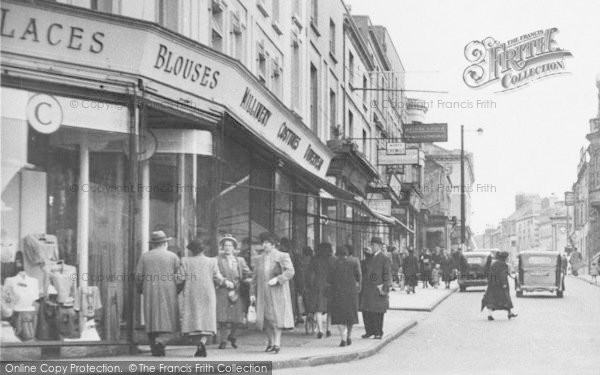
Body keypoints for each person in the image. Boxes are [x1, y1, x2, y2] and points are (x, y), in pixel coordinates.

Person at [178, 239, 229, 357]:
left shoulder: (185, 261)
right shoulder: (212, 261)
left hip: (192, 294)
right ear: (203, 250)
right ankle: (202, 342)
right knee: (207, 321)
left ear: (191, 251)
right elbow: (218, 278)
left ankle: (198, 344)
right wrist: (226, 283)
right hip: (208, 294)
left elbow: (180, 278)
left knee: (194, 321)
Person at [135, 231, 180, 357]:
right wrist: (177, 289)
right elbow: (181, 277)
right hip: (168, 290)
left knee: (152, 319)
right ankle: (161, 341)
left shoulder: (145, 257)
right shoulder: (173, 256)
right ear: (165, 243)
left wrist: (140, 289)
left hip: (149, 290)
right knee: (170, 319)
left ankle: (155, 349)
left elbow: (138, 276)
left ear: (153, 244)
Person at [250, 232, 295, 354]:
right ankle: (270, 341)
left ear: (274, 244)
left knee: (276, 317)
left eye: (267, 243)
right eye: (263, 242)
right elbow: (254, 278)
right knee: (265, 319)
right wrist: (252, 293)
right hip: (262, 293)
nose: (264, 245)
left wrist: (279, 279)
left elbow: (290, 271)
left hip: (277, 291)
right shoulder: (259, 259)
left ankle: (277, 343)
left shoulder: (282, 256)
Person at [216, 235, 252, 350]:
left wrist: (248, 280)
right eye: (225, 245)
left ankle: (232, 335)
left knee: (237, 318)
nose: (227, 248)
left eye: (230, 245)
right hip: (223, 290)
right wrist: (224, 282)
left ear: (234, 248)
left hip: (236, 291)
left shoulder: (239, 260)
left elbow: (247, 273)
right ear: (222, 247)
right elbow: (215, 274)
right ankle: (223, 340)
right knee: (222, 317)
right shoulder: (217, 260)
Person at [327, 245, 361, 347]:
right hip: (351, 292)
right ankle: (348, 336)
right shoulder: (354, 262)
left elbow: (329, 278)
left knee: (339, 316)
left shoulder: (333, 263)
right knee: (350, 316)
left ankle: (343, 338)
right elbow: (358, 276)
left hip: (337, 292)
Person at [359, 237, 392, 340]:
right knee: (367, 311)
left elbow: (387, 274)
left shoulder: (384, 258)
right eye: (371, 245)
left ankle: (378, 332)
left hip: (378, 288)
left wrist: (385, 287)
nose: (372, 247)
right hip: (368, 288)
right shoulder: (369, 257)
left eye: (373, 245)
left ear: (378, 246)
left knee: (378, 312)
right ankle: (369, 331)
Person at [306, 242, 334, 338]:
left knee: (318, 308)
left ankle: (320, 330)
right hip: (330, 285)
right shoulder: (332, 260)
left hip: (317, 285)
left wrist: (310, 285)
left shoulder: (314, 259)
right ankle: (328, 329)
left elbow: (309, 274)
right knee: (329, 308)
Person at [481, 251, 517, 321]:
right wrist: (504, 284)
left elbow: (489, 273)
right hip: (500, 285)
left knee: (491, 300)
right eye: (507, 257)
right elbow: (503, 275)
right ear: (505, 258)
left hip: (492, 284)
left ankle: (489, 314)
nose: (508, 258)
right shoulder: (503, 265)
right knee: (506, 299)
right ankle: (509, 313)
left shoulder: (494, 264)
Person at [279, 238, 303, 326]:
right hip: (292, 280)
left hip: (283, 279)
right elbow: (298, 270)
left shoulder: (281, 254)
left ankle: (285, 320)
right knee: (291, 300)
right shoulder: (294, 254)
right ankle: (292, 319)